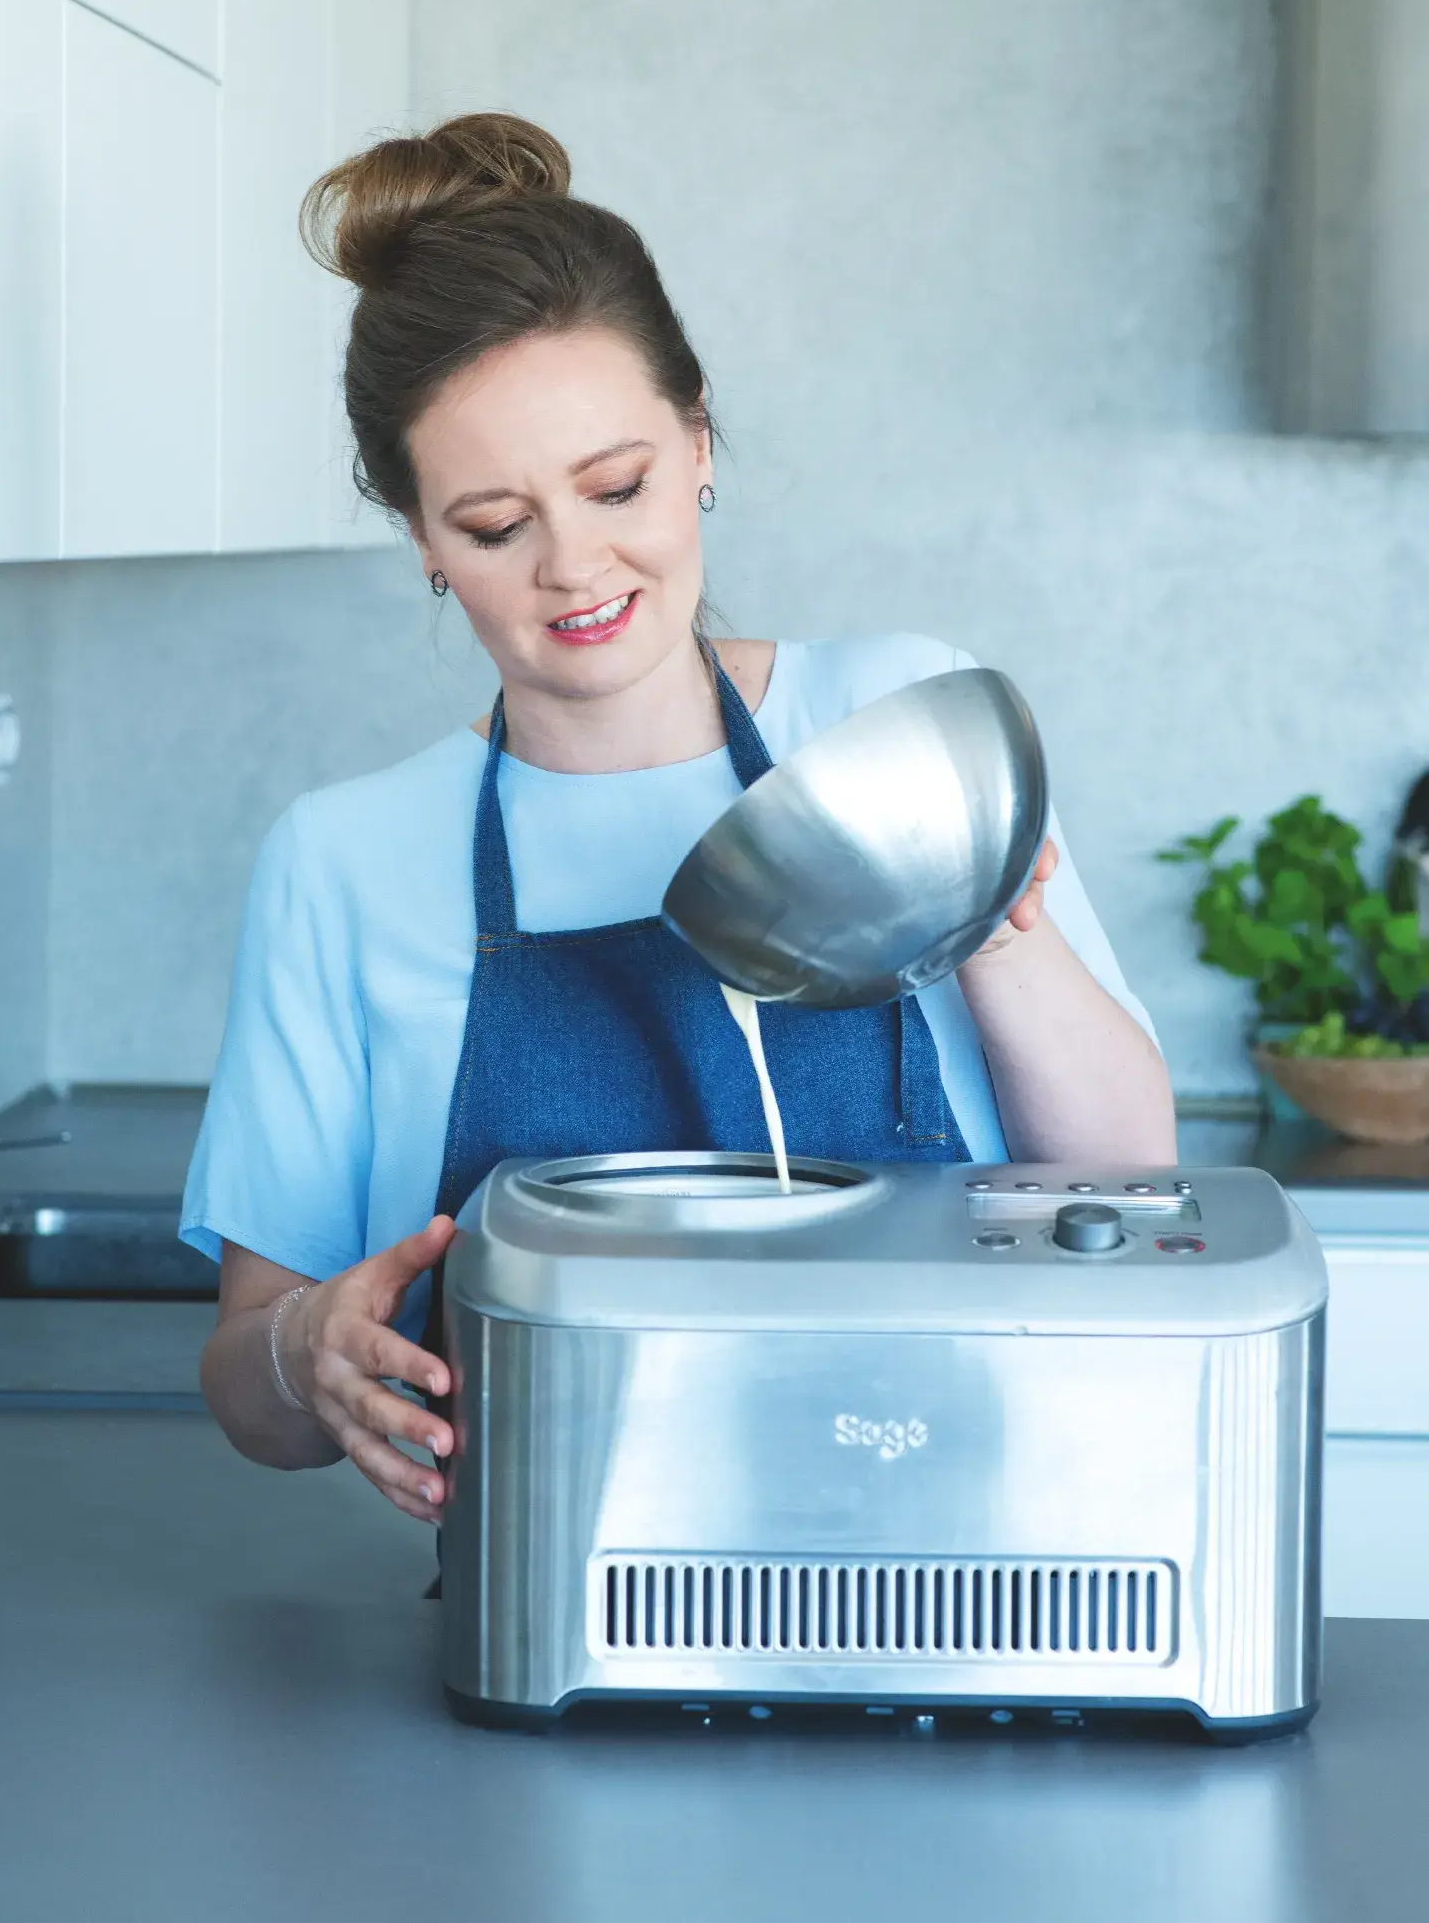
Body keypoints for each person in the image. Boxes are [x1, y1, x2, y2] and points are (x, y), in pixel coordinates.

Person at [184, 113, 1175, 1523]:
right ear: (420, 537)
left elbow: (1128, 1187)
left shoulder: (899, 727)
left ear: (697, 441)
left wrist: (993, 929)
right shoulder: (344, 862)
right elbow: (248, 1382)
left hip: (971, 1548)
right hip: (556, 1594)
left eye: (617, 486)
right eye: (494, 523)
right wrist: (306, 1352)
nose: (574, 564)